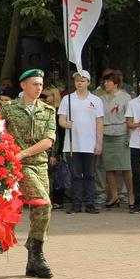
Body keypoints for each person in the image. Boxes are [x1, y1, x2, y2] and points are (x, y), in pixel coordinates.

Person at [1, 69, 56, 279]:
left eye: (41, 84)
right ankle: (37, 253)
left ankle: (33, 259)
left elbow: (48, 141)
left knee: (40, 212)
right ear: (23, 86)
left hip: (39, 164)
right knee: (44, 204)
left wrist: (25, 152)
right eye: (35, 84)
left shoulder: (47, 111)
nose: (39, 88)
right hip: (19, 167)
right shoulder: (8, 109)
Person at [57, 70, 104, 214]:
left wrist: (99, 143)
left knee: (90, 174)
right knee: (76, 175)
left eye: (82, 81)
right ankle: (76, 204)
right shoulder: (67, 99)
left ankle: (90, 203)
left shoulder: (96, 100)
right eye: (77, 80)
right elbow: (61, 120)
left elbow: (100, 123)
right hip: (73, 144)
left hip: (90, 144)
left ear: (88, 83)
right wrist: (66, 124)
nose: (79, 83)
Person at [98, 73, 133, 209]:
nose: (105, 84)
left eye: (108, 81)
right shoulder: (100, 99)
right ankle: (114, 195)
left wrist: (129, 137)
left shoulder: (126, 97)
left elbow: (130, 117)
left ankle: (130, 196)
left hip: (121, 133)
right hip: (106, 134)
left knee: (125, 167)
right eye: (105, 81)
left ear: (116, 83)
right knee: (109, 167)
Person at [125, 75, 140, 213]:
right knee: (137, 173)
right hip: (136, 143)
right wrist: (137, 125)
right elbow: (128, 123)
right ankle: (139, 201)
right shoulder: (133, 103)